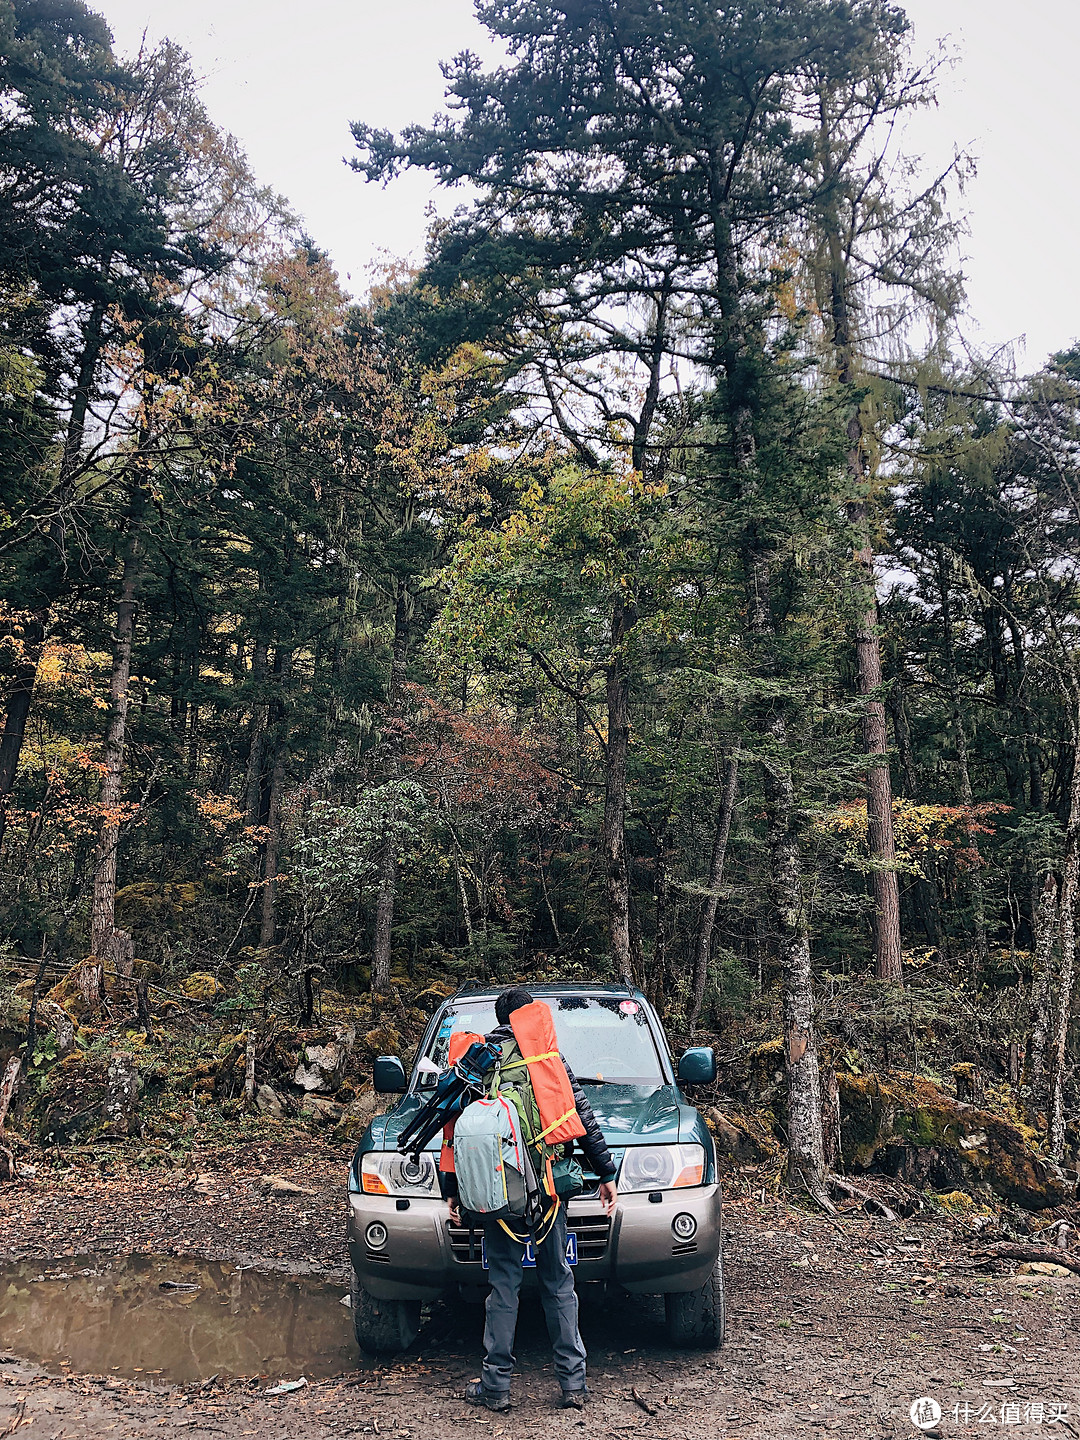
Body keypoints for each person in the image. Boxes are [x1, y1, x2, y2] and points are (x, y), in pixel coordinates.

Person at [442, 986, 618, 1412]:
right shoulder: (545, 1058)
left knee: (503, 1286)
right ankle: (573, 1386)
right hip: (548, 1192)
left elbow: (451, 1129)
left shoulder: (479, 1059)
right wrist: (605, 1173)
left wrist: (452, 1191)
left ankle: (496, 1387)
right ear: (531, 1017)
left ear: (499, 1018)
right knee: (558, 1283)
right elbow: (582, 1116)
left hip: (500, 1197)